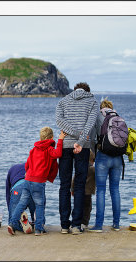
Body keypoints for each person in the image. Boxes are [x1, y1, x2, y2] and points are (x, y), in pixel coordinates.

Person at [55, 82, 99, 235]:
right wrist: (80, 140)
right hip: (83, 147)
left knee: (64, 185)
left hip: (65, 146)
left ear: (75, 90)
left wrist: (73, 134)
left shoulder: (63, 101)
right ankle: (76, 225)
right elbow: (90, 124)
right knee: (80, 185)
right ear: (87, 91)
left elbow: (59, 121)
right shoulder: (92, 101)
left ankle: (64, 226)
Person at [8, 127, 66, 236]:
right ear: (51, 137)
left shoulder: (34, 149)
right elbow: (58, 153)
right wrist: (61, 139)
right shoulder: (48, 149)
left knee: (22, 203)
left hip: (27, 179)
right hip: (38, 181)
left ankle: (12, 223)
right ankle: (39, 229)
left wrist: (29, 174)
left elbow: (27, 165)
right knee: (39, 204)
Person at [89, 98, 123, 232]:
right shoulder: (118, 117)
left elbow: (92, 138)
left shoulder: (98, 117)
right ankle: (116, 224)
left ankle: (98, 225)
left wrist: (93, 155)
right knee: (115, 190)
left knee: (101, 190)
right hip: (118, 158)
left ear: (101, 108)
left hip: (103, 157)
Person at [5, 163, 36, 234]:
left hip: (17, 188)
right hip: (31, 185)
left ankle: (19, 226)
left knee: (12, 219)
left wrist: (10, 209)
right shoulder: (31, 166)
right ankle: (34, 224)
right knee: (34, 208)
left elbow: (8, 194)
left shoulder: (11, 169)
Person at [71, 150, 96, 230]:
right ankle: (84, 223)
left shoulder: (80, 168)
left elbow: (74, 179)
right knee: (87, 208)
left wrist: (72, 189)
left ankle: (75, 222)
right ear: (92, 160)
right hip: (88, 193)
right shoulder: (93, 169)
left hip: (78, 191)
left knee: (78, 206)